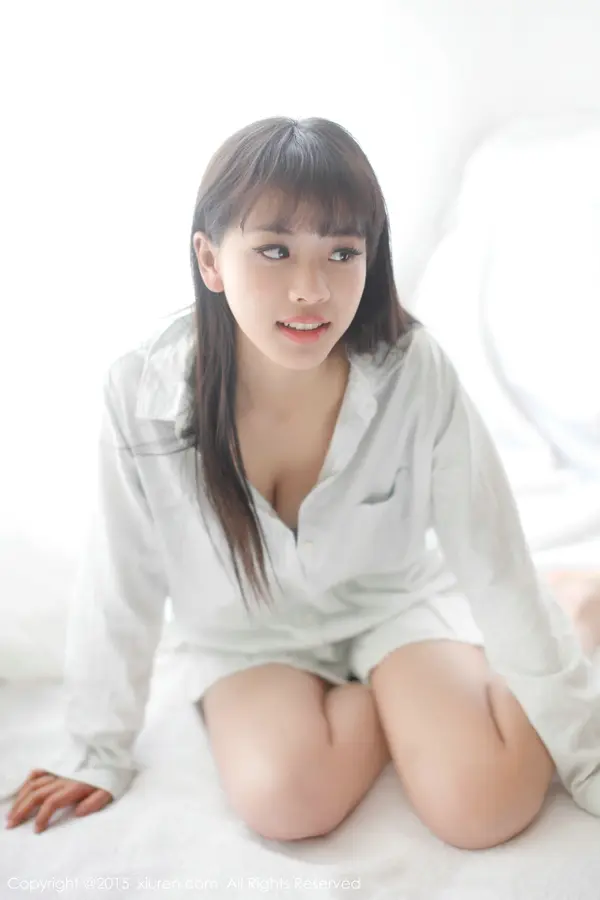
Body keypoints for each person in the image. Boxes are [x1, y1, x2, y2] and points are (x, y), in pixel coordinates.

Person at [6, 117, 600, 849]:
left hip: (392, 605)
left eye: (342, 253)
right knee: (285, 803)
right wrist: (98, 748)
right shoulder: (142, 390)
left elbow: (494, 561)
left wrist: (585, 749)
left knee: (486, 808)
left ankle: (570, 605)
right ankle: (396, 704)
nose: (310, 290)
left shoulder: (412, 370)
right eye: (275, 250)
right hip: (248, 637)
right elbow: (118, 577)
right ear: (210, 259)